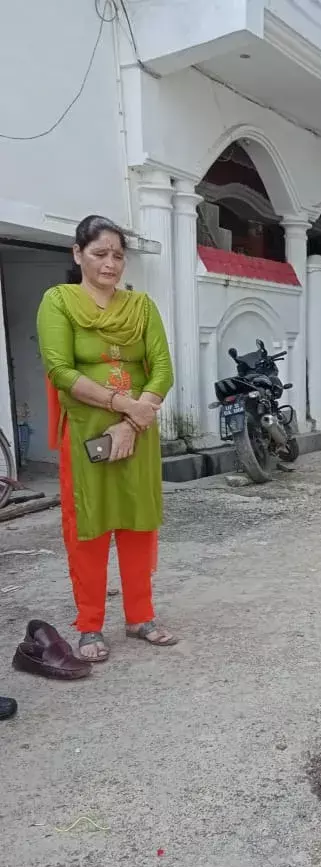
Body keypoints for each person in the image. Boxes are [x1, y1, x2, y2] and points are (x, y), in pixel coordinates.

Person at [36, 214, 176, 662]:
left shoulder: (142, 307)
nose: (110, 264)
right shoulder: (58, 303)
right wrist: (126, 407)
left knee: (138, 522)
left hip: (137, 431)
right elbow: (60, 370)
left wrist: (133, 422)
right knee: (89, 529)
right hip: (85, 432)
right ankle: (90, 625)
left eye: (118, 255)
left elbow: (162, 370)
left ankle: (141, 616)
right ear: (78, 254)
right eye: (99, 254)